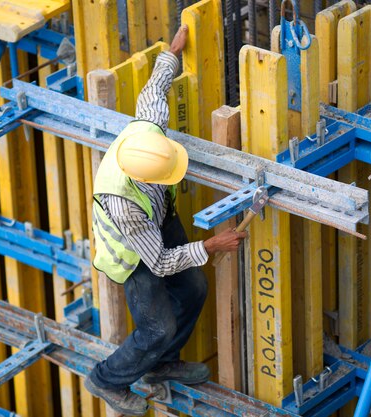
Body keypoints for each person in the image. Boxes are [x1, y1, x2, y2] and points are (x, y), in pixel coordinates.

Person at [85, 25, 248, 416]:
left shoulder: (148, 130)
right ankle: (108, 379)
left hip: (160, 218)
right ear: (145, 177)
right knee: (157, 327)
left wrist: (172, 53)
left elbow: (154, 89)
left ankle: (160, 364)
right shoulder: (125, 205)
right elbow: (156, 262)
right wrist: (211, 245)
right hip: (132, 250)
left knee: (193, 289)